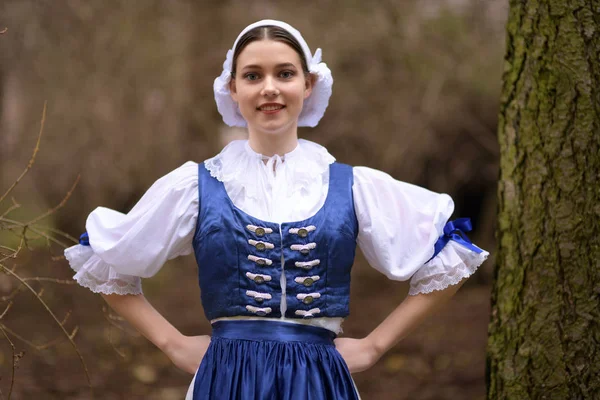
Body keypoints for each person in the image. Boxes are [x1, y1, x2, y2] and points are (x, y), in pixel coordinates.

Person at [65, 19, 489, 400]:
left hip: (321, 380)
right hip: (225, 379)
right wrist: (172, 343)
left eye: (284, 73)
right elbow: (108, 259)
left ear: (307, 84)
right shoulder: (195, 185)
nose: (269, 87)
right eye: (253, 75)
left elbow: (450, 254)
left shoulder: (351, 184)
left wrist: (374, 346)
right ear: (233, 88)